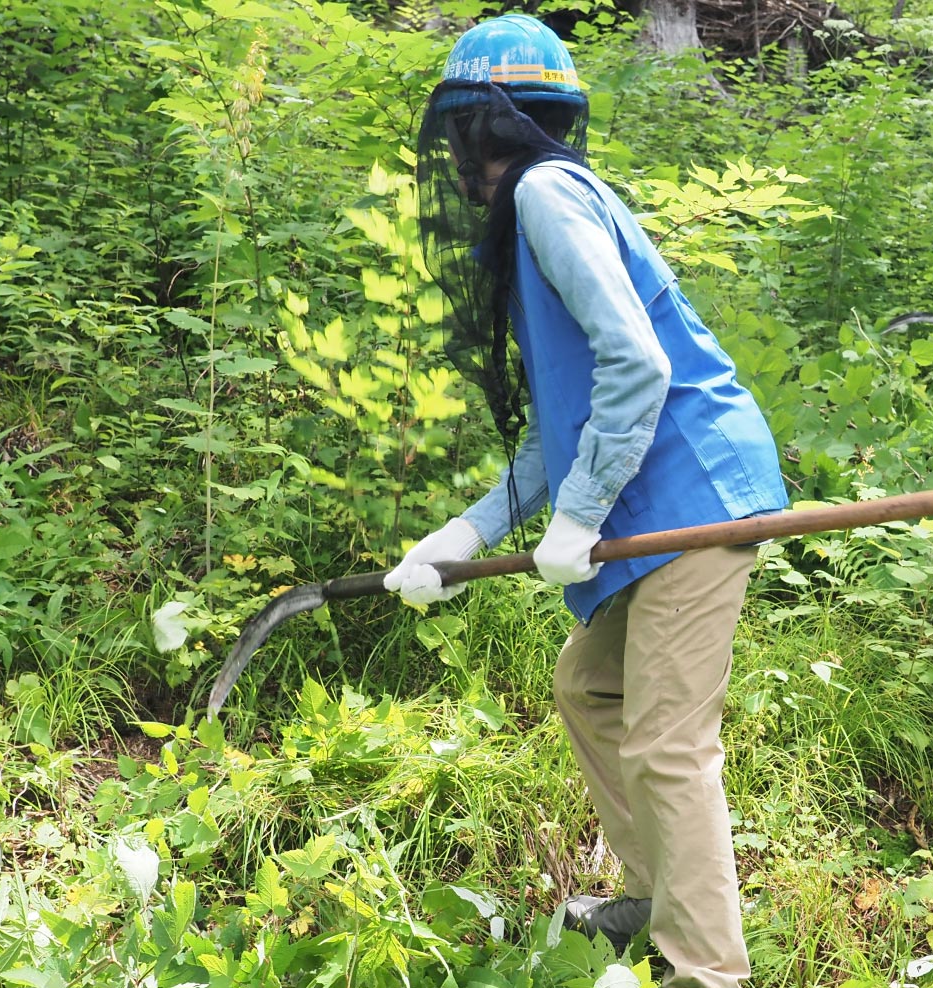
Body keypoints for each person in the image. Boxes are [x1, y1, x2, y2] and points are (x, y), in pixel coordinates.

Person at [384, 14, 788, 988]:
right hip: (653, 506)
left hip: (696, 494)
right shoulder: (543, 209)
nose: (463, 164)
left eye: (464, 142)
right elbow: (563, 427)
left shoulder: (545, 196)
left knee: (665, 741)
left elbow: (639, 364)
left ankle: (706, 968)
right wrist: (465, 532)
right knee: (590, 686)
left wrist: (578, 513)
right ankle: (655, 895)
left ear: (487, 131)